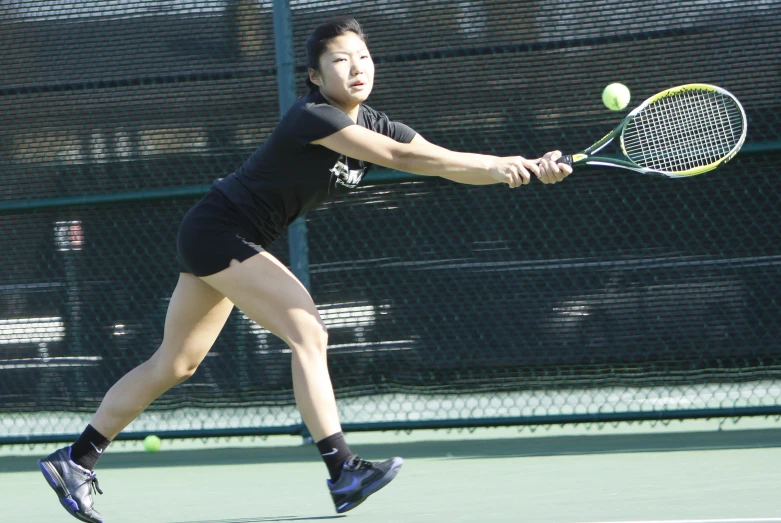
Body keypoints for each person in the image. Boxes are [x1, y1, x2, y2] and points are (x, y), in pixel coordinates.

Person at [38, 16, 572, 523]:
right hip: (220, 230)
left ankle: (75, 460)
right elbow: (404, 159)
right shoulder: (312, 116)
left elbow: (444, 159)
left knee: (175, 365)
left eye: (364, 57)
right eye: (341, 61)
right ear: (316, 76)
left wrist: (519, 166)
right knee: (308, 333)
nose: (358, 67)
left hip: (222, 234)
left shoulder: (377, 121)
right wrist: (500, 167)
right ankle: (343, 471)